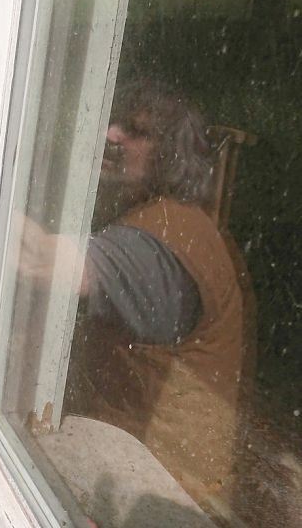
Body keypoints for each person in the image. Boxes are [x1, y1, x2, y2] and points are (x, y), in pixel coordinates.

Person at [20, 81, 250, 504]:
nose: (111, 134)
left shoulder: (163, 245)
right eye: (114, 123)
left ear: (171, 154)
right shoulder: (179, 222)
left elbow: (40, 260)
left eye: (136, 131)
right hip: (141, 478)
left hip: (164, 496)